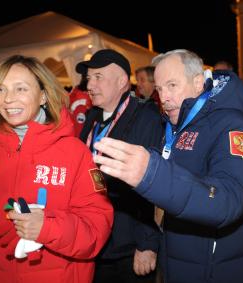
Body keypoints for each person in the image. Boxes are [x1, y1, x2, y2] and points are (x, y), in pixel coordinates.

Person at [93, 49, 243, 283]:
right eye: (160, 89)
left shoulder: (232, 125)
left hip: (218, 270)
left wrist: (153, 174)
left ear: (198, 82)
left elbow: (230, 200)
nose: (164, 97)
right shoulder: (174, 127)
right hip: (178, 263)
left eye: (172, 85)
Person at [0, 55, 114, 283]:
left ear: (43, 95)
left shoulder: (75, 153)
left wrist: (47, 227)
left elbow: (96, 229)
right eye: (0, 90)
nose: (8, 99)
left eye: (20, 89)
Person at [76, 49, 163, 283]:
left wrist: (147, 243)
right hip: (94, 240)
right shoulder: (92, 117)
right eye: (88, 78)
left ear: (123, 81)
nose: (89, 85)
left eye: (98, 77)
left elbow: (155, 185)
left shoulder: (147, 117)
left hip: (129, 246)